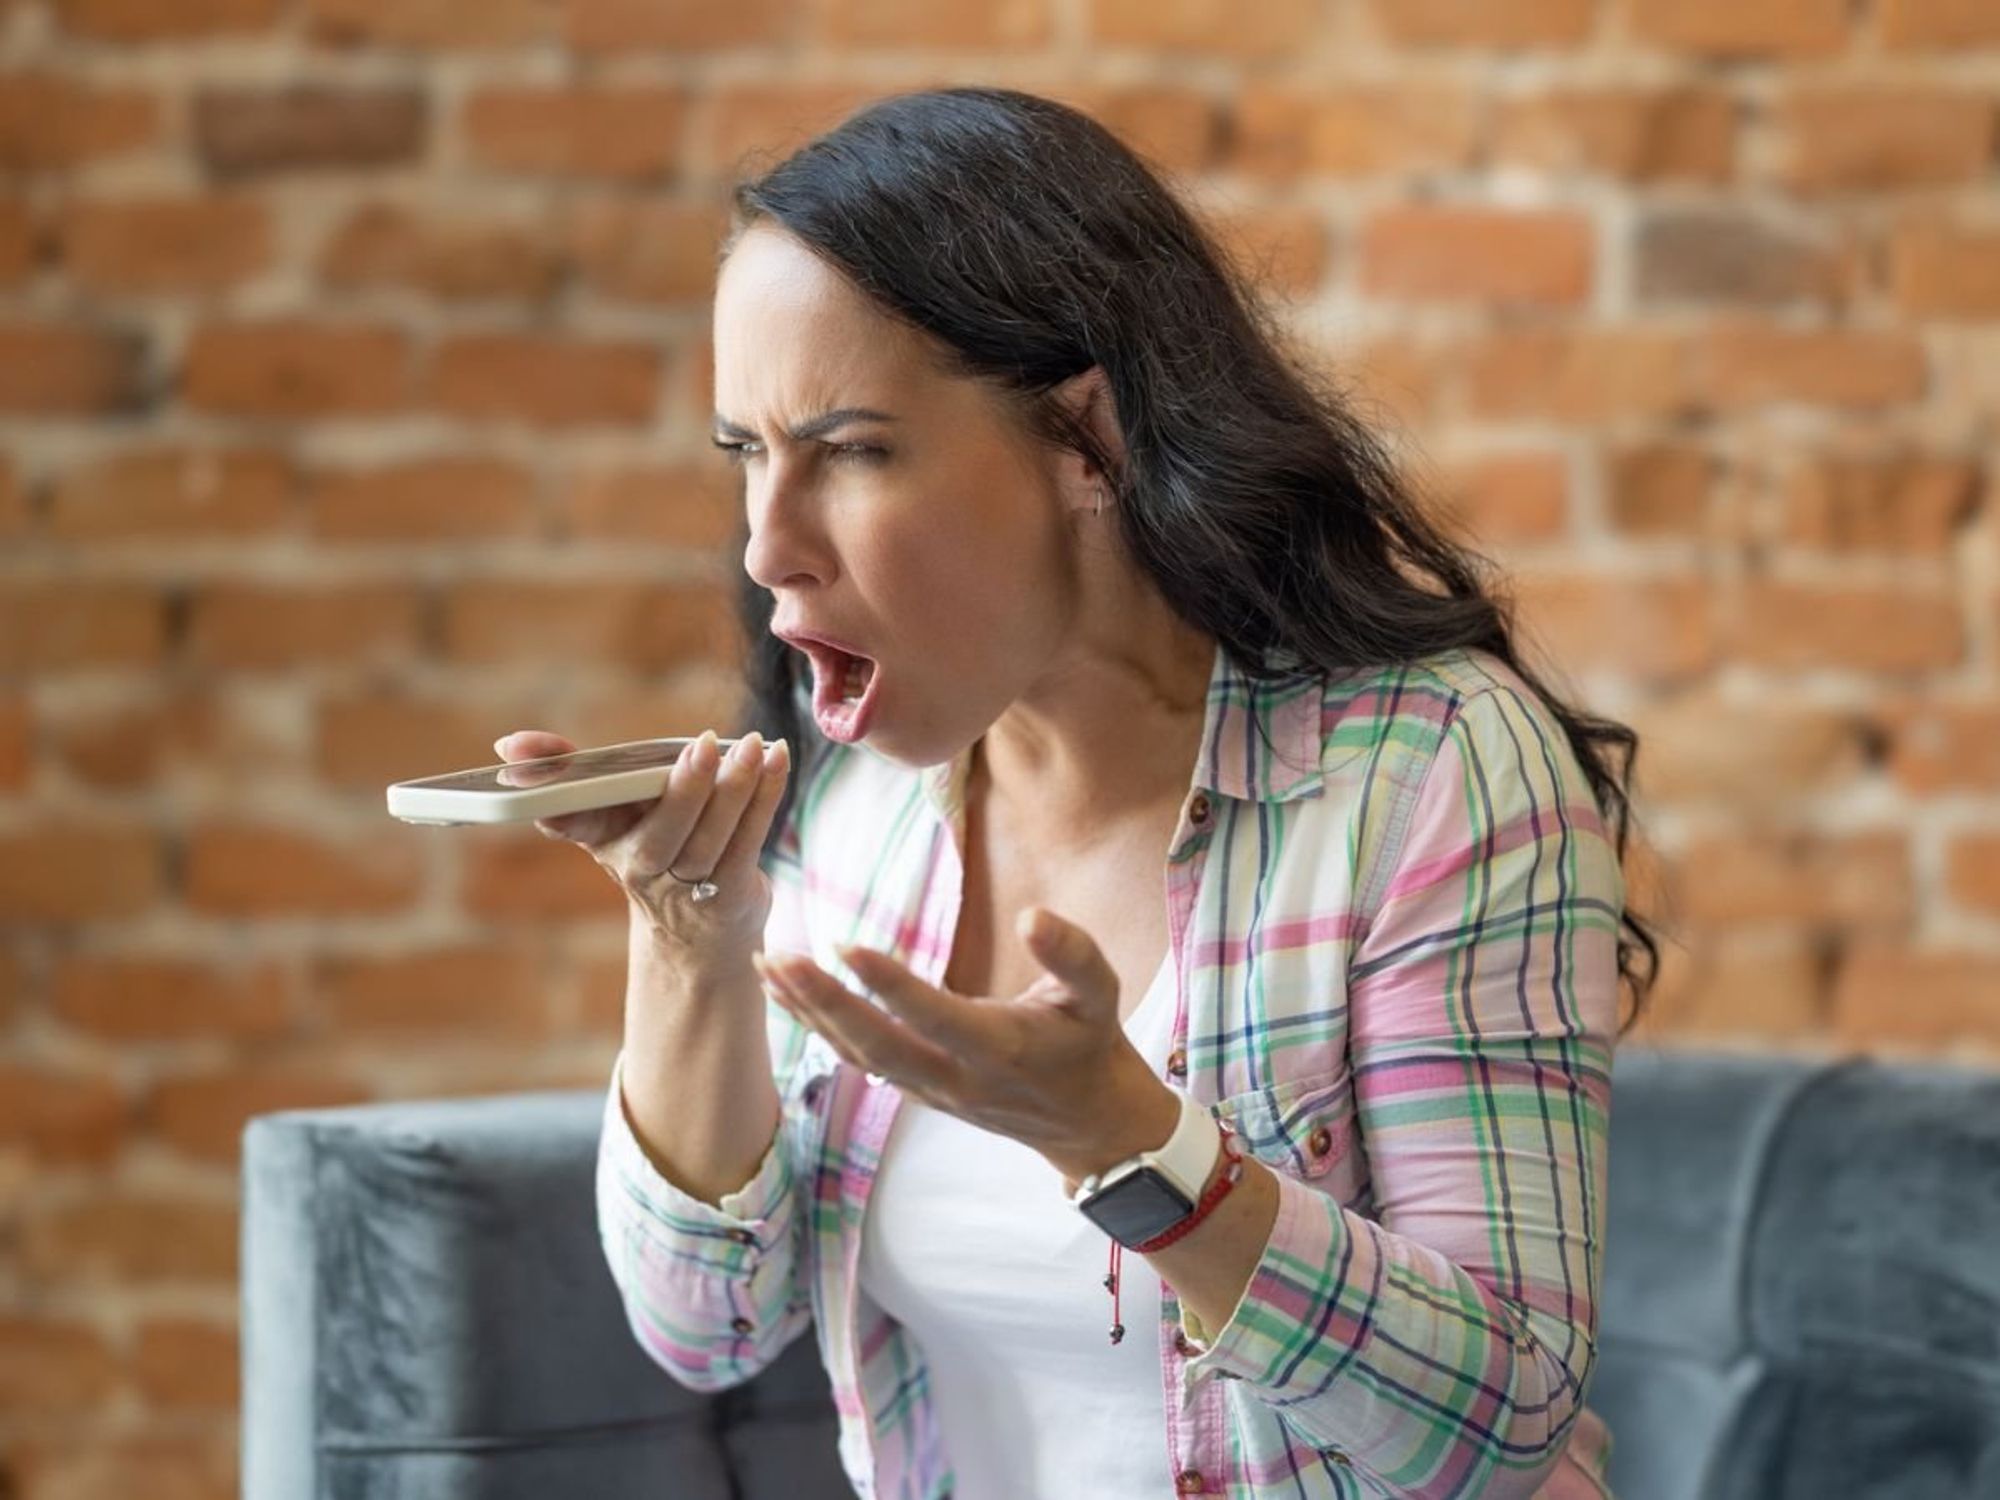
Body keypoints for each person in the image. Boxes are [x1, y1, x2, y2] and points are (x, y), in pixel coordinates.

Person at [498, 86, 1659, 1500]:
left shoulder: (1426, 774)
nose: (769, 548)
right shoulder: (859, 807)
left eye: (853, 450)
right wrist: (688, 933)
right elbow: (705, 1327)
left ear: (1085, 439)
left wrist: (1127, 1141)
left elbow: (1504, 1422)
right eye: (751, 455)